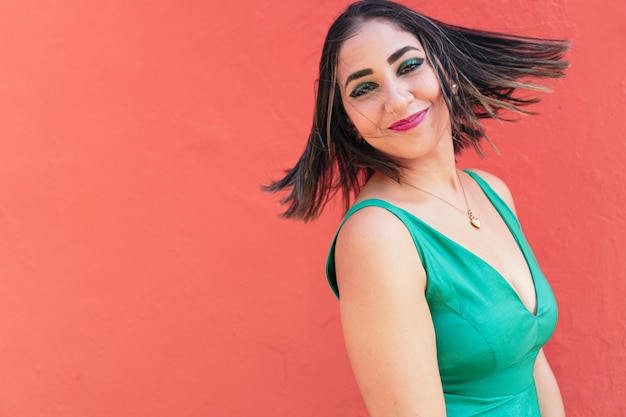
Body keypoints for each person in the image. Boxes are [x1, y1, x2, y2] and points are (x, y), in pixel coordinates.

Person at [266, 1, 569, 415]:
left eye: (407, 66)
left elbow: (533, 362)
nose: (395, 98)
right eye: (363, 88)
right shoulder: (380, 236)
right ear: (348, 121)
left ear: (446, 72)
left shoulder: (490, 192)